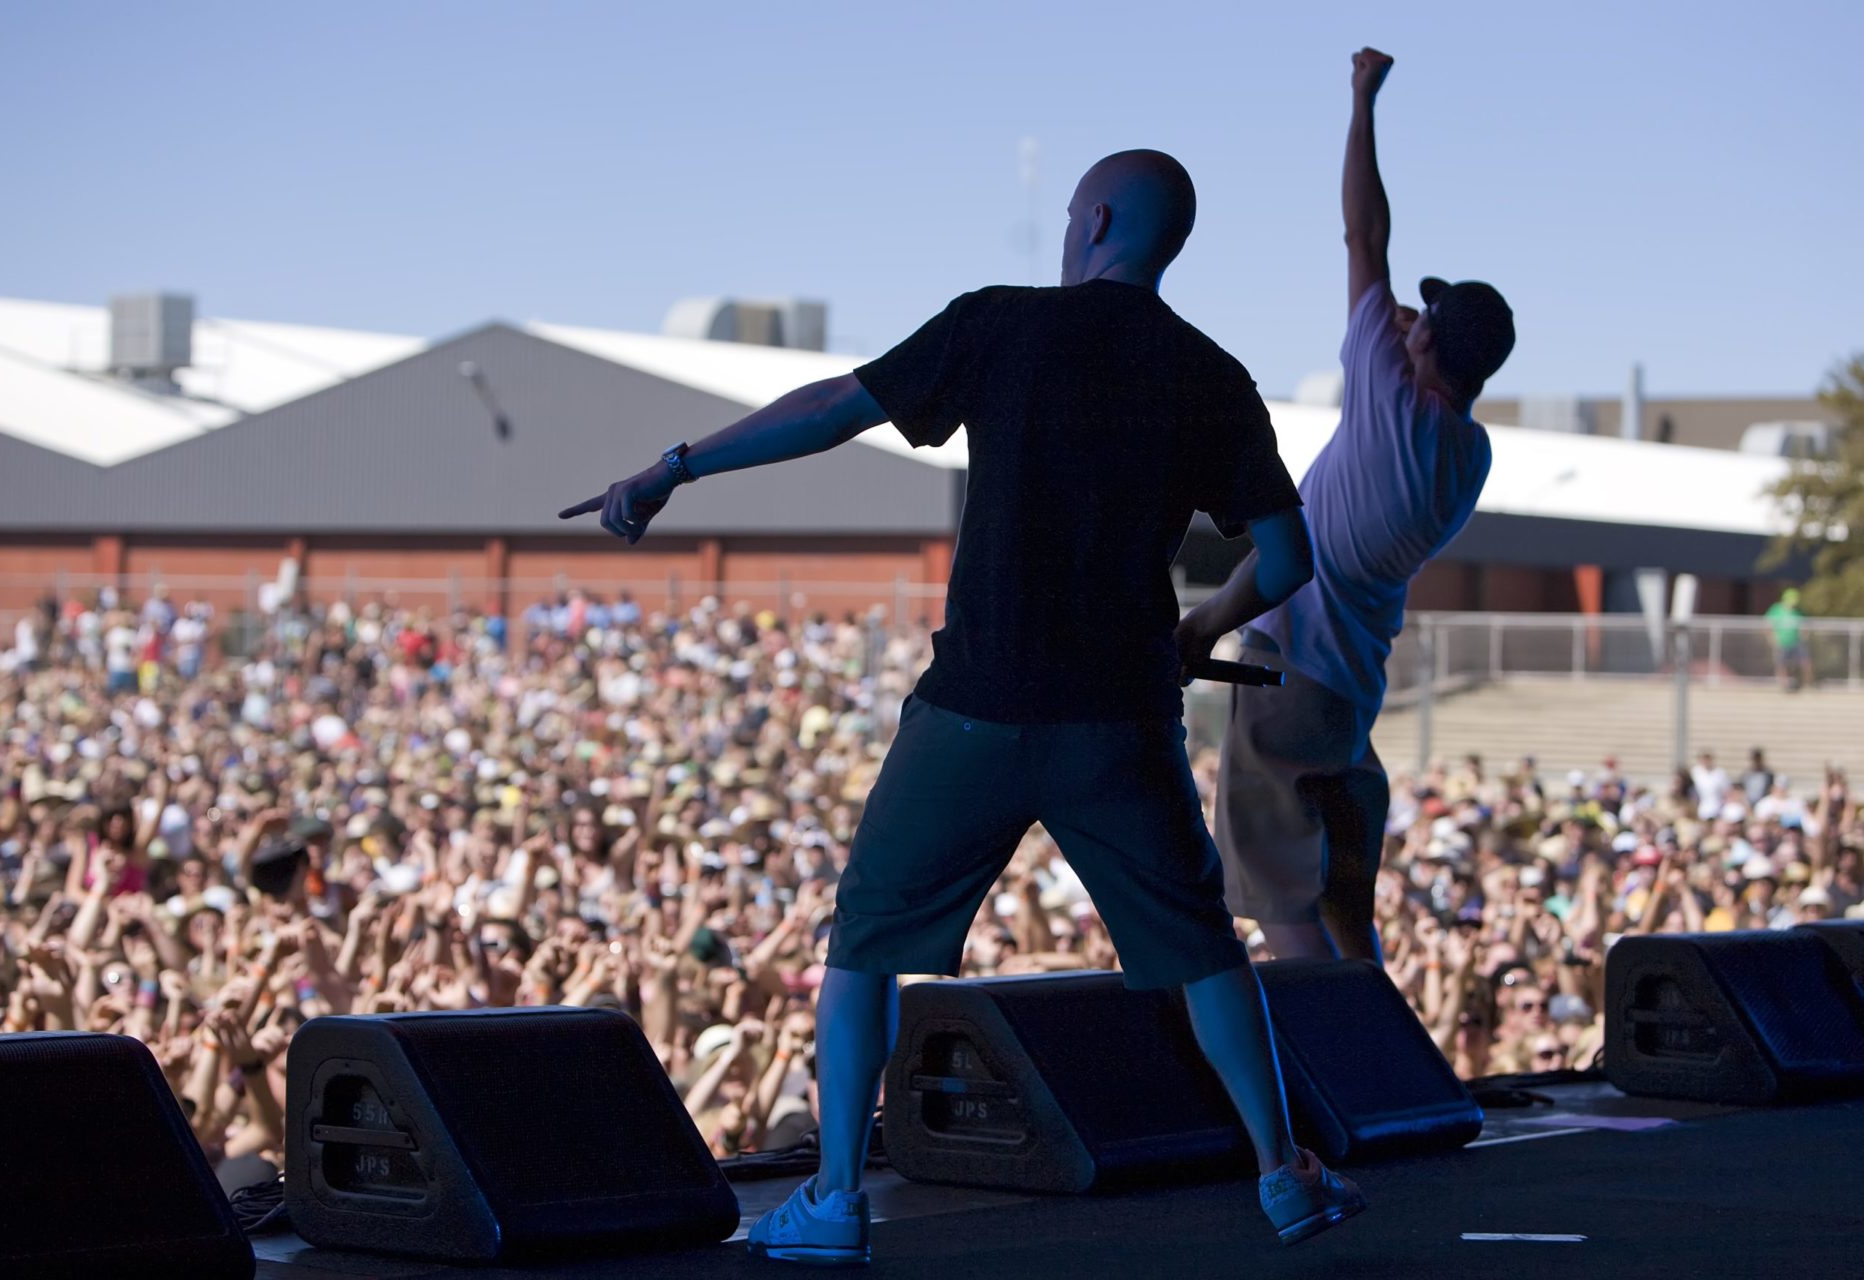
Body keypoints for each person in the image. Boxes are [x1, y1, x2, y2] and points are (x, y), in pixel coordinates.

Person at [563, 148, 1364, 1262]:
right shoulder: (1209, 372)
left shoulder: (1001, 323)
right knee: (1207, 954)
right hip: (1120, 723)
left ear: (1096, 220)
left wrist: (675, 467)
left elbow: (835, 409)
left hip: (978, 707)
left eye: (1082, 203)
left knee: (863, 946)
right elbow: (1284, 557)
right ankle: (1284, 1172)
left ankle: (836, 1199)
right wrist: (1197, 627)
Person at [1207, 48, 1514, 965]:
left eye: (1416, 319)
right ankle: (1376, 1046)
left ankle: (1335, 1050)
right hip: (1349, 691)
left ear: (1420, 338)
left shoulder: (1388, 394)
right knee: (1343, 903)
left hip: (1293, 667)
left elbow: (1363, 239)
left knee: (1272, 891)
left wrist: (1362, 100)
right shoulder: (1470, 452)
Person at [1767, 588, 1811, 690]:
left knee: (1806, 662)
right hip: (1782, 642)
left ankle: (1807, 685)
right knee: (1781, 664)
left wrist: (1804, 634)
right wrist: (1772, 639)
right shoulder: (1776, 609)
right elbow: (1768, 625)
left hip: (1796, 642)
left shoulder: (1799, 611)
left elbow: (1804, 626)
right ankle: (1784, 686)